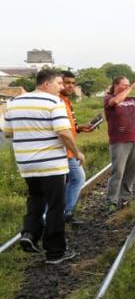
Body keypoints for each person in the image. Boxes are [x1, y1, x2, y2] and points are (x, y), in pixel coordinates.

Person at [1, 68, 83, 264]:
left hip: (27, 164)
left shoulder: (16, 102)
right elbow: (63, 132)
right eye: (59, 83)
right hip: (51, 165)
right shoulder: (54, 102)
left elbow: (8, 133)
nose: (61, 87)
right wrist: (77, 152)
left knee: (35, 199)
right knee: (56, 205)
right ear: (46, 84)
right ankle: (55, 252)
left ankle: (29, 233)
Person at [103, 76, 135, 211]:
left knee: (131, 171)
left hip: (134, 138)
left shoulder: (132, 100)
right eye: (124, 85)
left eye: (128, 85)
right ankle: (111, 200)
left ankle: (125, 197)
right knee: (118, 171)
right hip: (119, 140)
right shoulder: (108, 98)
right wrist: (131, 87)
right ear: (115, 85)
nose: (127, 87)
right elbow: (115, 101)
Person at [59, 71, 96, 225]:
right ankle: (66, 212)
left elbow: (66, 125)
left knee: (69, 181)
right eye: (67, 82)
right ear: (58, 83)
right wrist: (76, 152)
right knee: (78, 178)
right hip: (64, 150)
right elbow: (61, 130)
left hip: (67, 149)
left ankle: (62, 213)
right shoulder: (57, 101)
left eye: (73, 83)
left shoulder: (66, 101)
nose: (71, 86)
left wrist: (79, 128)